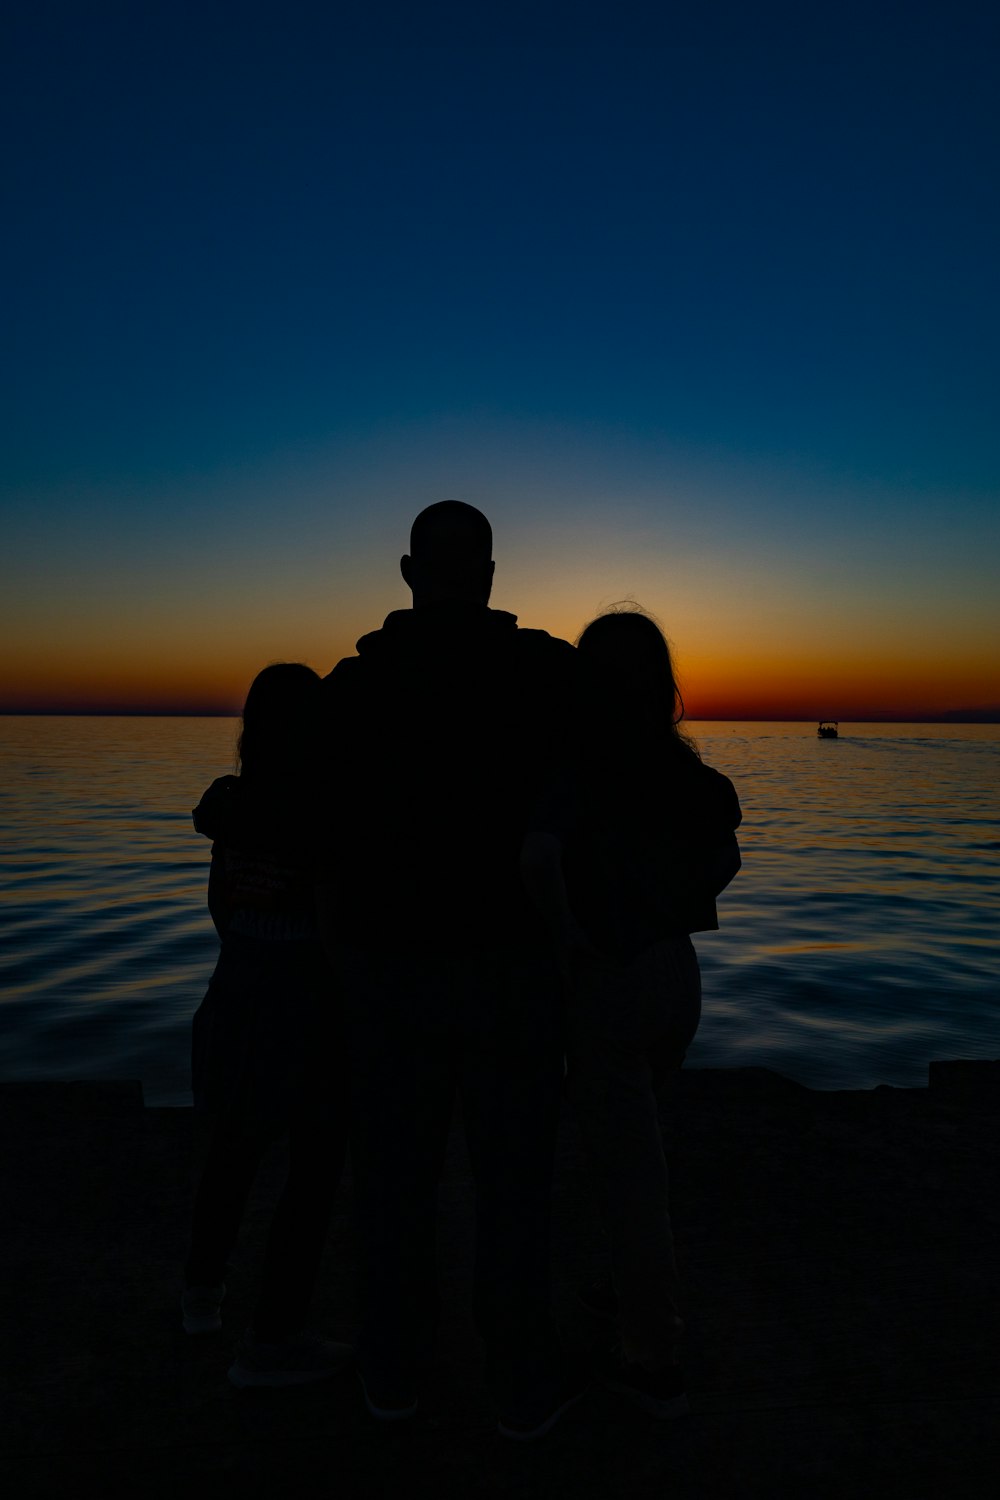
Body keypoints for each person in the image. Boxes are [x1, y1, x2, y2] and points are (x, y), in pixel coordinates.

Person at [317, 501, 584, 1439]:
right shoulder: (549, 674)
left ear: (406, 570)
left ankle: (392, 1371)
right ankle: (516, 1380)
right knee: (515, 1186)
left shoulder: (351, 689)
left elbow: (316, 826)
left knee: (394, 1182)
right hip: (512, 974)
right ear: (492, 573)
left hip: (387, 974)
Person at [520, 606, 741, 1419]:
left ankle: (652, 1357)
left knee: (630, 1175)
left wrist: (567, 935)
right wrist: (673, 904)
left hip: (609, 978)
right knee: (642, 1143)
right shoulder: (680, 769)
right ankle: (622, 1291)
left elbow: (540, 855)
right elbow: (728, 855)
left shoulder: (580, 766)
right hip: (677, 974)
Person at [184, 663, 352, 1388]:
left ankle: (201, 1294)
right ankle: (274, 1338)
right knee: (313, 1170)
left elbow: (220, 905)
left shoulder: (234, 806)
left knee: (234, 1150)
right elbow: (335, 927)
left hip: (236, 988)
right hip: (307, 1003)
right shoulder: (325, 817)